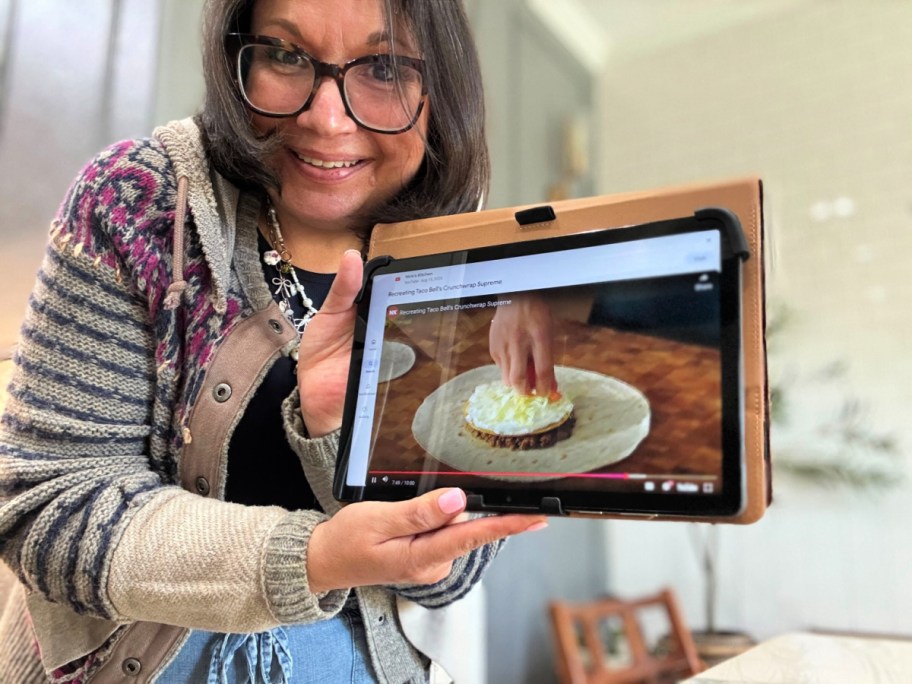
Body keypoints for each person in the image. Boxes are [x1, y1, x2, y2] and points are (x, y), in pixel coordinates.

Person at [0, 0, 548, 681]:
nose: (326, 117)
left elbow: (446, 575)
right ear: (241, 58)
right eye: (287, 55)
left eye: (382, 67)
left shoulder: (460, 263)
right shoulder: (135, 201)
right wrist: (312, 556)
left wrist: (335, 436)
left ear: (440, 89)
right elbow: (50, 507)